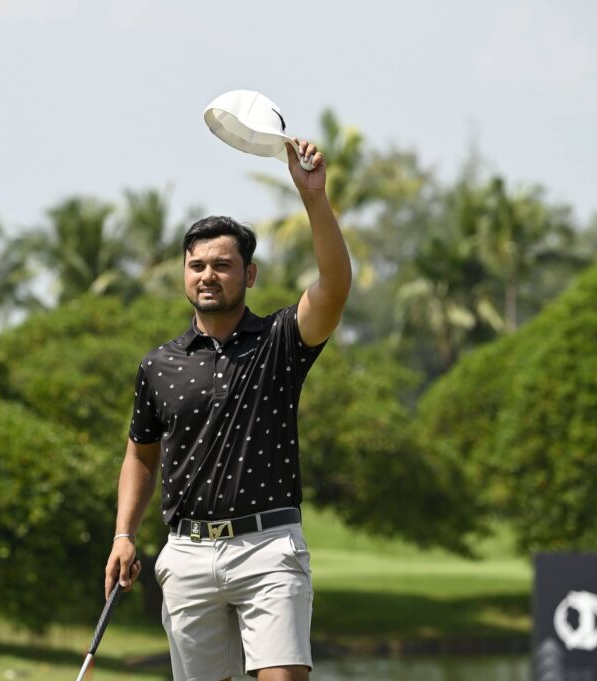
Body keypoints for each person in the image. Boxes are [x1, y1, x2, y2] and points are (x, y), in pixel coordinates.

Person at [105, 138, 351, 681]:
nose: (207, 275)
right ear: (184, 275)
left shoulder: (280, 341)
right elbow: (140, 457)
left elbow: (334, 288)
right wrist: (125, 535)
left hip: (268, 547)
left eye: (222, 264)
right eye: (196, 266)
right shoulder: (159, 365)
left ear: (250, 274)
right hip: (188, 553)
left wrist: (314, 197)